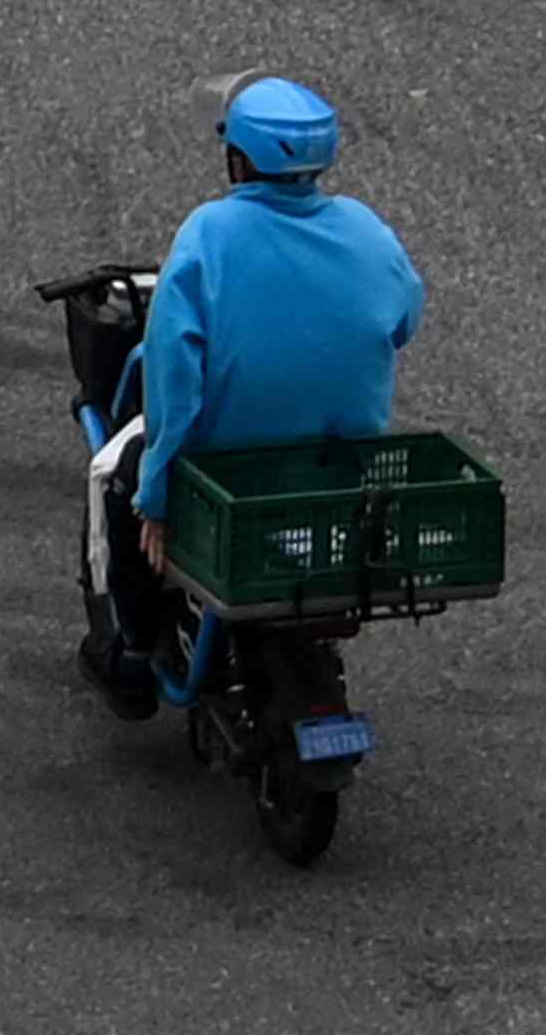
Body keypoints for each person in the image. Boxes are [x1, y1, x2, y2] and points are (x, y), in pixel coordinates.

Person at [98, 77, 430, 691]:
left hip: (228, 472)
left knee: (120, 482)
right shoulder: (367, 231)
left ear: (237, 159)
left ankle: (136, 652)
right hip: (336, 467)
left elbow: (174, 384)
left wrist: (157, 494)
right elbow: (403, 317)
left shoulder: (207, 236)